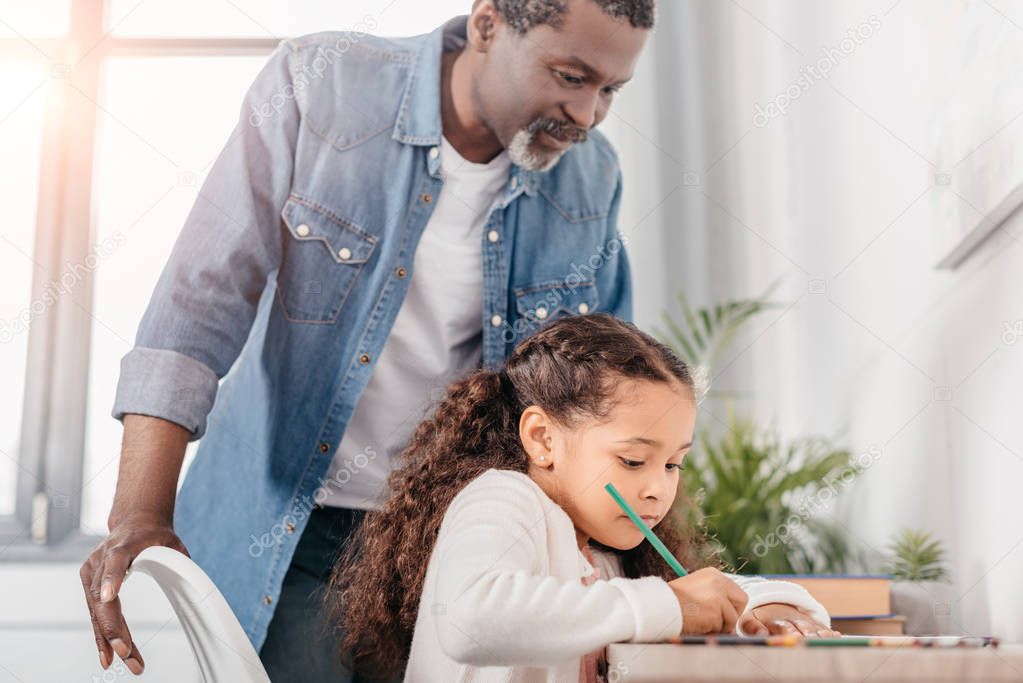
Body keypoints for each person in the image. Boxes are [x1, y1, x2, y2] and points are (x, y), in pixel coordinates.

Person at [79, 1, 658, 680]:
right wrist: (140, 513)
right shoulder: (318, 89)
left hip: (453, 537)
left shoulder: (591, 181)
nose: (586, 115)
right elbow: (200, 299)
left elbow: (599, 394)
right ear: (487, 25)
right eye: (569, 76)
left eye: (609, 91)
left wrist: (601, 569)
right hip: (291, 524)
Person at [331, 314, 838, 681]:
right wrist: (668, 604)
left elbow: (703, 592)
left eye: (673, 464)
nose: (657, 487)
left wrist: (771, 607)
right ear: (544, 439)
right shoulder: (503, 501)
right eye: (633, 461)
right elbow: (470, 619)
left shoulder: (607, 556)